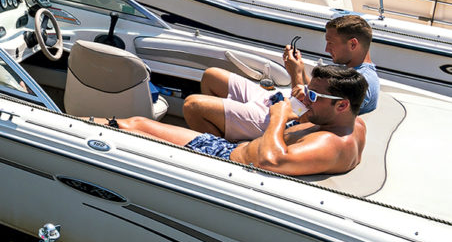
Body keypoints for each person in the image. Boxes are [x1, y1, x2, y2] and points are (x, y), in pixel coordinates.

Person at [113, 64, 368, 176]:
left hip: (224, 160)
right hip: (234, 149)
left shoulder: (332, 143)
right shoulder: (353, 124)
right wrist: (302, 105)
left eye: (313, 95)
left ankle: (78, 126)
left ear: (342, 105)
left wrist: (278, 117)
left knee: (134, 125)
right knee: (136, 123)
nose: (307, 99)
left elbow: (271, 161)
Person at [183, 13, 380, 142]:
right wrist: (299, 69)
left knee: (192, 106)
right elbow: (315, 95)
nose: (326, 49)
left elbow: (310, 115)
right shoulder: (354, 71)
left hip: (283, 119)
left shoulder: (362, 86)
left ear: (353, 44)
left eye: (331, 43)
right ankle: (229, 129)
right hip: (281, 102)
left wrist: (295, 76)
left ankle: (224, 152)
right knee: (211, 76)